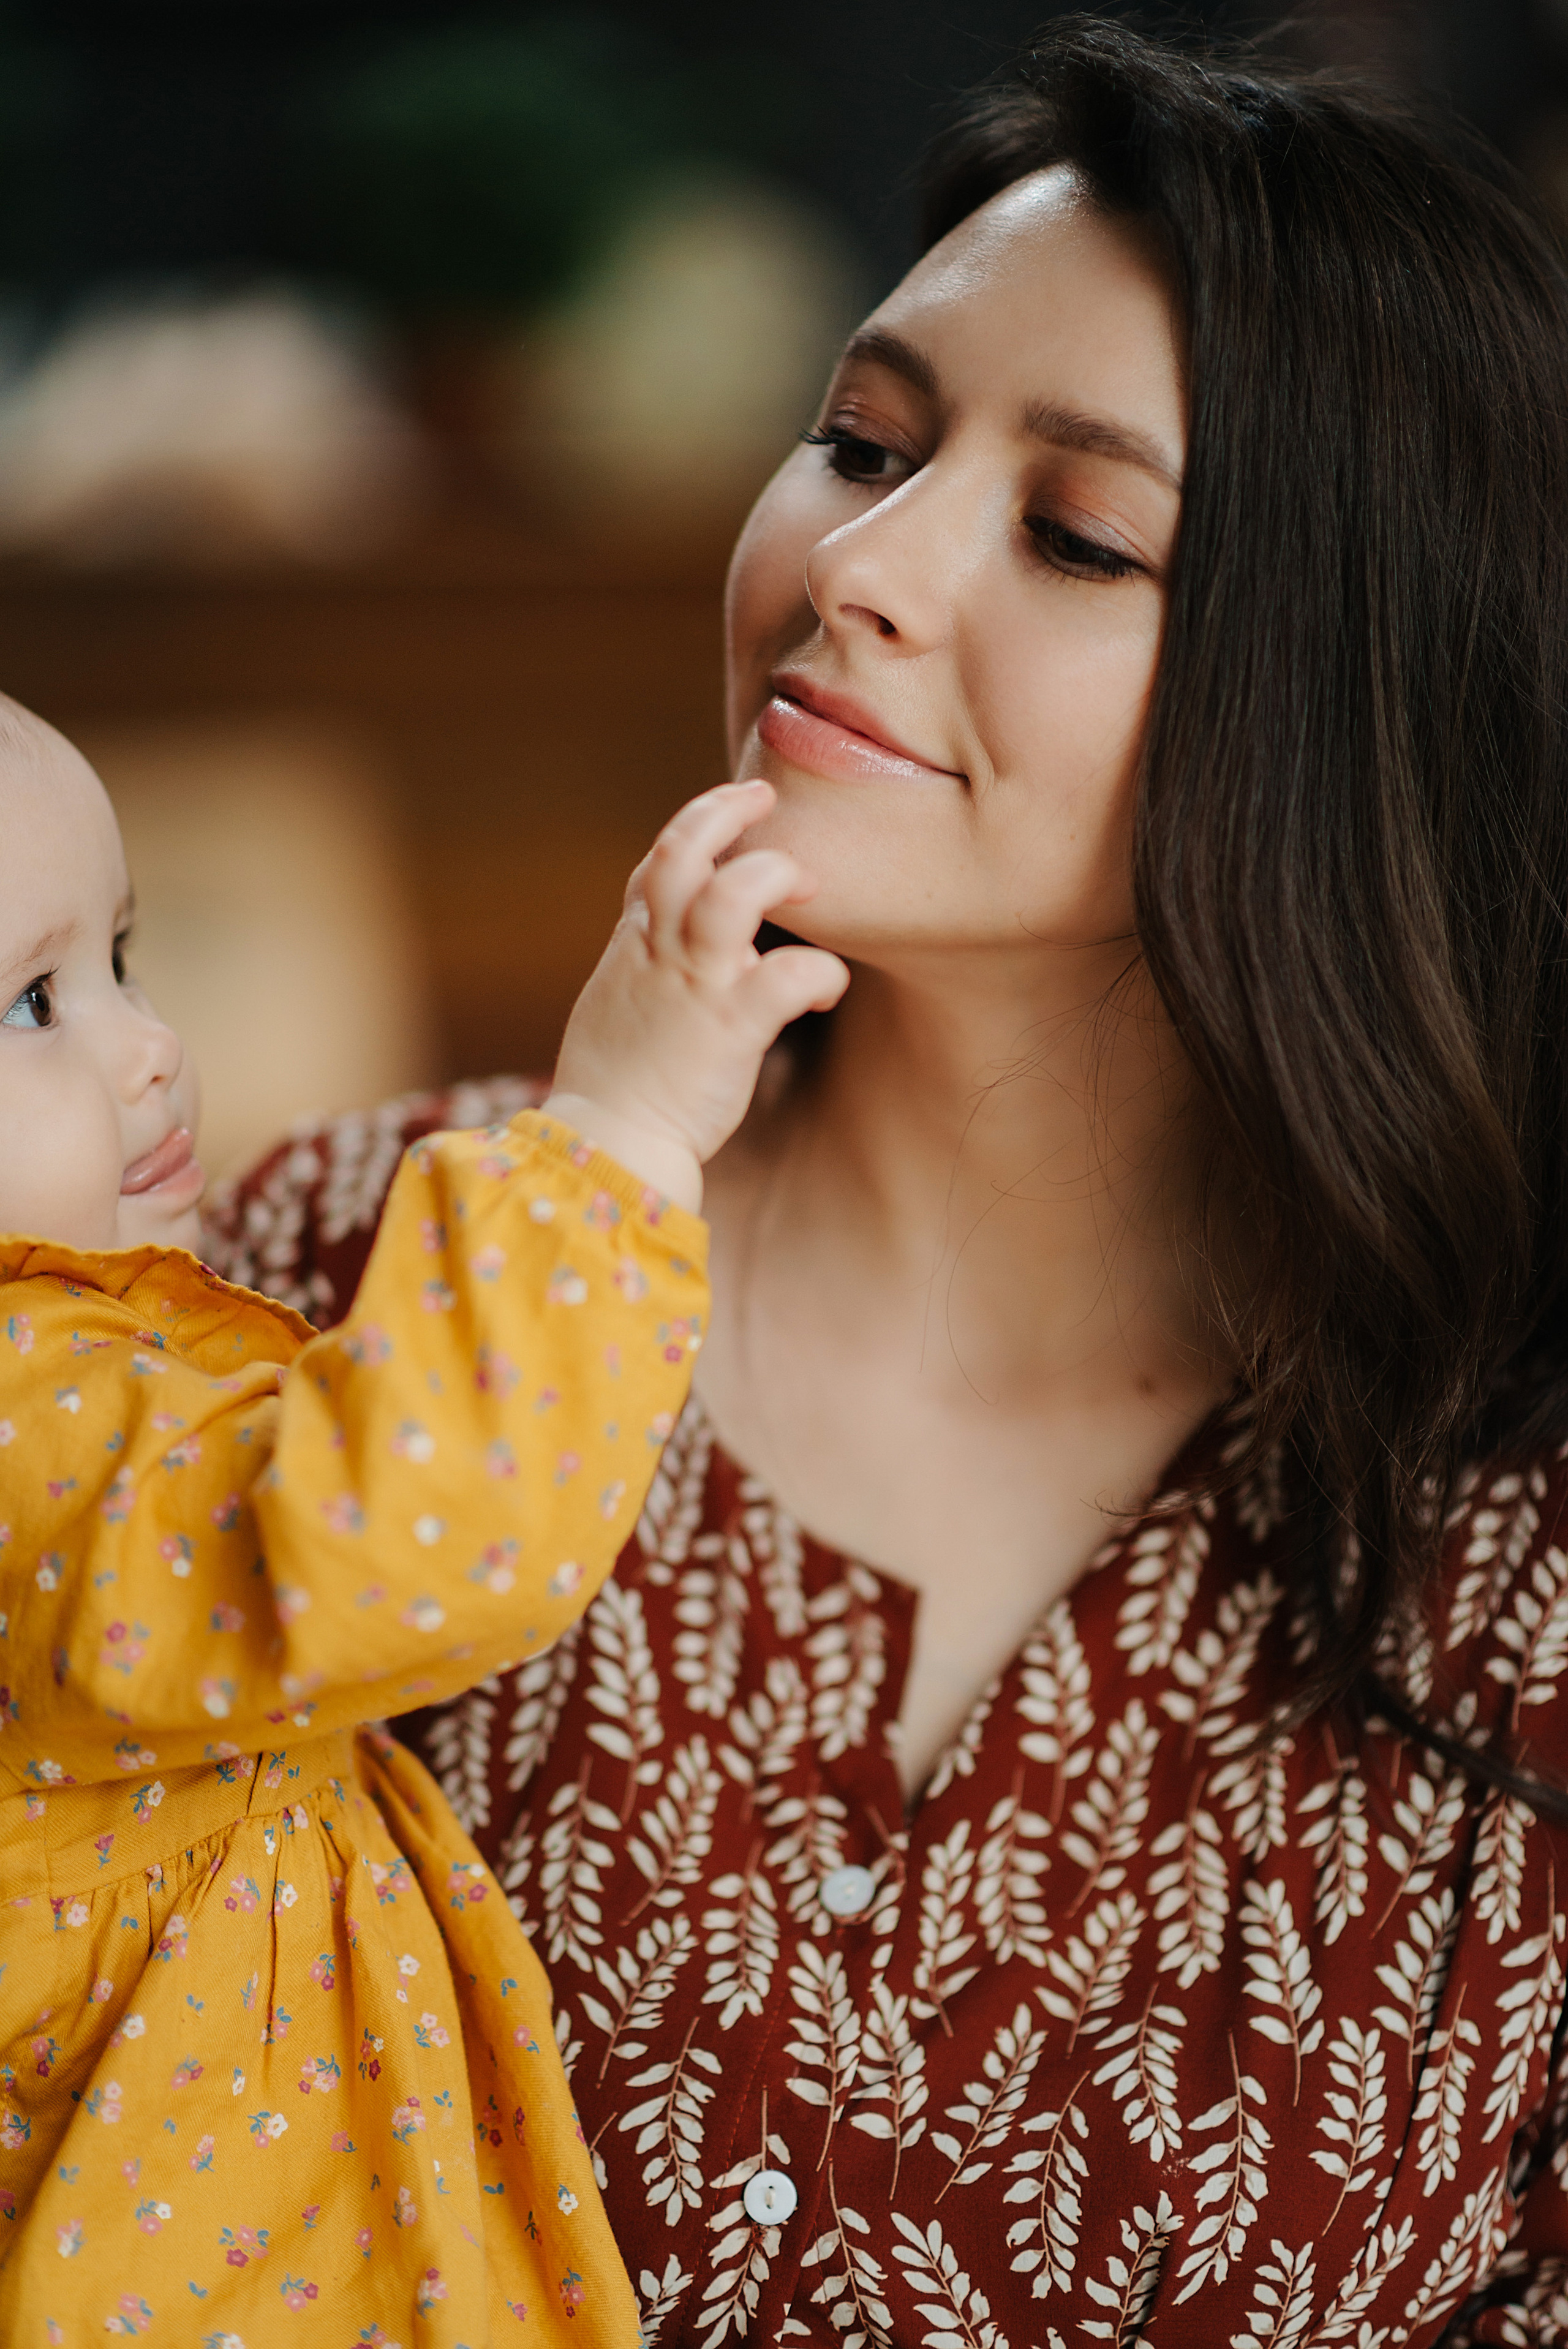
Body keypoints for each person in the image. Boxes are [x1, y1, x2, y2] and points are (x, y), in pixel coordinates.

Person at [206, 21, 1568, 2345]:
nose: (858, 561)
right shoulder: (341, 1281)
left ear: (1355, 706)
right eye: (861, 435)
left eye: (1076, 533)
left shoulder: (1517, 1547)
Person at [0, 696, 847, 2341]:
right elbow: (400, 1526)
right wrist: (620, 1131)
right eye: (29, 1002)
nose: (145, 1045)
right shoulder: (28, 1410)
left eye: (123, 953)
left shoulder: (98, 1353)